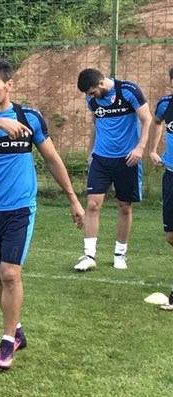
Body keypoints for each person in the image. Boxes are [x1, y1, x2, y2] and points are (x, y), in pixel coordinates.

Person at [0, 58, 85, 370]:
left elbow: (52, 159)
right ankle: (17, 330)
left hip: (19, 208)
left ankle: (6, 342)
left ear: (9, 85)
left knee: (11, 273)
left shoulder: (29, 118)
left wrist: (73, 199)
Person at [73, 68, 152, 271]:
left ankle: (120, 254)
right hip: (101, 159)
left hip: (127, 159)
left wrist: (140, 148)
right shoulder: (92, 99)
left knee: (124, 206)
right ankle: (89, 255)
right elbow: (95, 123)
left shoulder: (129, 91)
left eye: (92, 92)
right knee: (92, 205)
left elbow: (147, 119)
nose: (91, 97)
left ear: (101, 83)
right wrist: (91, 151)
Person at [147, 67, 173, 311]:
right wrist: (153, 150)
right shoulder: (166, 104)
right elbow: (156, 122)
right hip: (171, 176)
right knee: (171, 236)